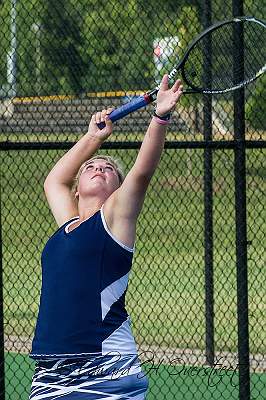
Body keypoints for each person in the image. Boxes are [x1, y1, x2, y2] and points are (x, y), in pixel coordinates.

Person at [29, 75, 183, 399]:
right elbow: (53, 182)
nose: (99, 168)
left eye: (108, 169)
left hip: (106, 370)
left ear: (117, 188)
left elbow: (141, 173)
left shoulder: (114, 220)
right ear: (77, 186)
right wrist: (91, 139)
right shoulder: (67, 225)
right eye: (91, 167)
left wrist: (160, 116)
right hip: (50, 375)